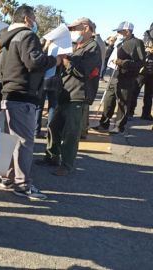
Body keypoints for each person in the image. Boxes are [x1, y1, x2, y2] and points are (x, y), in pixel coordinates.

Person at [0, 5, 58, 199]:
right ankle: (22, 185)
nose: (34, 22)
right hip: (22, 95)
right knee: (24, 142)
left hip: (8, 93)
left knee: (9, 139)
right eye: (33, 18)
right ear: (26, 19)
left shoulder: (7, 37)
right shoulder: (26, 36)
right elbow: (34, 63)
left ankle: (7, 177)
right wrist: (54, 61)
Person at [40, 17, 101, 176]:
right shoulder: (77, 45)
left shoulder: (93, 47)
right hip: (65, 92)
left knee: (71, 132)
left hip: (78, 95)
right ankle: (52, 157)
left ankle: (66, 165)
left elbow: (83, 71)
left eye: (75, 28)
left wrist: (66, 58)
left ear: (86, 28)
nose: (72, 32)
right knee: (53, 126)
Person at [94, 22, 145, 134]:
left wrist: (123, 63)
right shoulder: (119, 43)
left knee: (123, 102)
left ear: (127, 31)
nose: (118, 34)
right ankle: (104, 124)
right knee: (108, 100)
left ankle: (119, 126)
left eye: (120, 31)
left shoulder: (137, 43)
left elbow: (140, 62)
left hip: (127, 77)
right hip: (114, 75)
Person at [139, 23, 153, 120]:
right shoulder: (146, 35)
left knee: (149, 94)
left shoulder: (146, 34)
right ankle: (130, 112)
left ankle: (146, 114)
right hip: (142, 69)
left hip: (148, 70)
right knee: (135, 91)